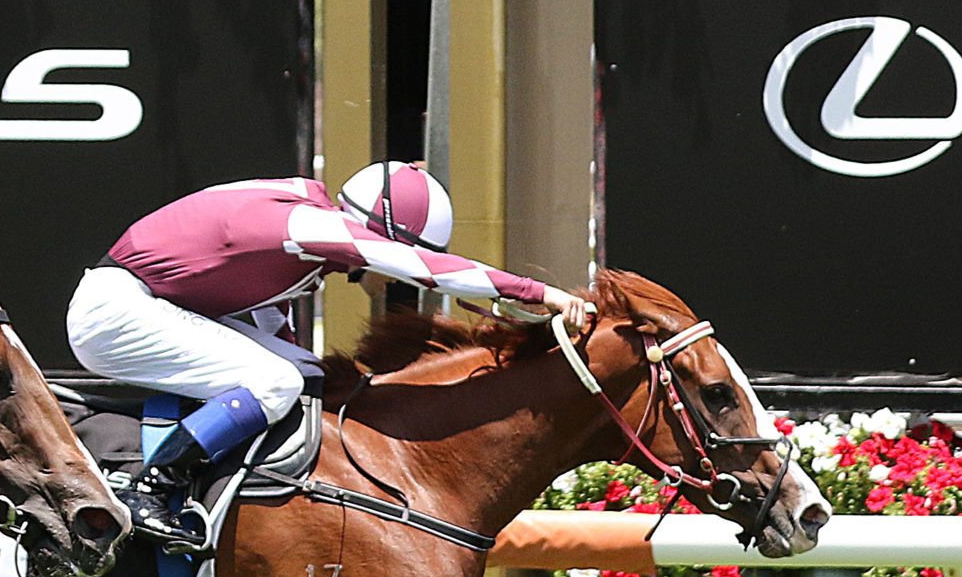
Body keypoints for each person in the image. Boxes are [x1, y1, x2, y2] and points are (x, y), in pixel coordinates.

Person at [65, 161, 587, 548]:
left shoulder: (305, 219)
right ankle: (151, 486)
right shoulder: (306, 226)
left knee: (304, 372)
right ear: (379, 234)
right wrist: (540, 295)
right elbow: (424, 267)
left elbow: (269, 319)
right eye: (397, 255)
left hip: (152, 302)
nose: (394, 282)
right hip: (115, 312)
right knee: (276, 383)